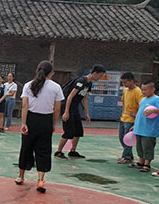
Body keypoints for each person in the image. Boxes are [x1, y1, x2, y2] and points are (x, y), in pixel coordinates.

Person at [15, 60, 64, 193]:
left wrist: (24, 123)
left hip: (31, 119)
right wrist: (53, 123)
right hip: (46, 120)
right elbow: (57, 109)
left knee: (26, 148)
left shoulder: (28, 85)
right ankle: (40, 181)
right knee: (43, 150)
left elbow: (25, 105)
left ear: (37, 70)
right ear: (51, 73)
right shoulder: (56, 87)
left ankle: (20, 176)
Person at [55, 64, 106, 159]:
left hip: (75, 107)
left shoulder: (89, 83)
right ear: (95, 73)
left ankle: (72, 151)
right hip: (68, 106)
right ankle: (58, 152)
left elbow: (84, 98)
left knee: (78, 131)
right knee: (68, 131)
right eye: (100, 75)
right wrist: (66, 112)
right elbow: (70, 96)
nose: (100, 78)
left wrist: (87, 113)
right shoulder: (81, 81)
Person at [130, 81, 159, 172]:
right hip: (140, 128)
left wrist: (153, 111)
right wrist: (135, 125)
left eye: (145, 90)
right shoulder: (143, 100)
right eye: (142, 89)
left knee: (147, 146)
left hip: (149, 129)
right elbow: (140, 113)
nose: (143, 91)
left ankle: (147, 164)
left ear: (152, 89)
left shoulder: (156, 99)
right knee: (140, 146)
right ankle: (141, 162)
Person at [117, 72, 143, 164]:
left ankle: (126, 156)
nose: (124, 84)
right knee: (121, 138)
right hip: (124, 117)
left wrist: (136, 115)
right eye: (123, 82)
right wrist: (123, 112)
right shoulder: (125, 91)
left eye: (125, 82)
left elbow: (141, 105)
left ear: (132, 81)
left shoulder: (138, 91)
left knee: (128, 138)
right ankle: (129, 154)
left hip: (131, 119)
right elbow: (124, 102)